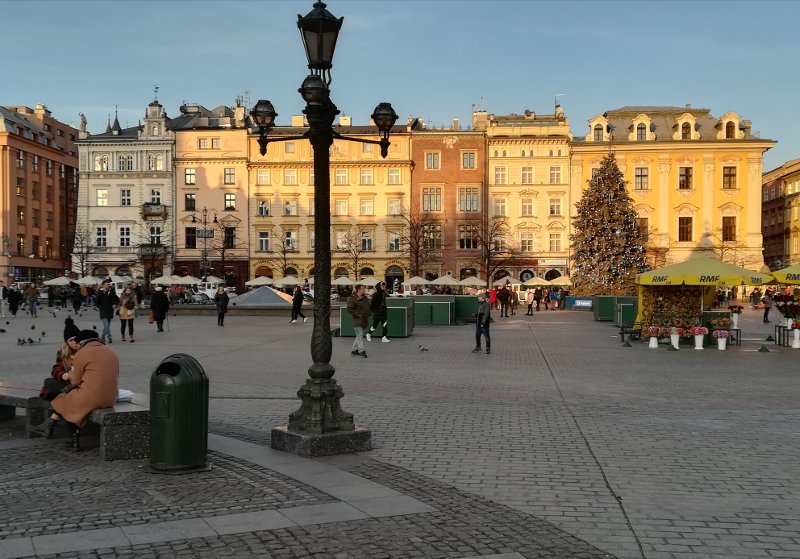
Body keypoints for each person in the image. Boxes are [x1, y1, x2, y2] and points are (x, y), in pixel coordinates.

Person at [51, 330, 119, 451]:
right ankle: (51, 424)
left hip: (93, 396)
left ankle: (74, 440)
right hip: (112, 396)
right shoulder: (111, 351)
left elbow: (75, 381)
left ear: (82, 342)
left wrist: (71, 373)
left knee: (66, 400)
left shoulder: (81, 354)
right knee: (70, 396)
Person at [347, 284, 371, 358]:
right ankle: (361, 350)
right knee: (360, 335)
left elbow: (368, 306)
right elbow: (349, 309)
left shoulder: (364, 298)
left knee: (358, 335)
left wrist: (369, 313)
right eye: (363, 289)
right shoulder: (353, 298)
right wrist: (358, 314)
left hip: (364, 319)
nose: (364, 290)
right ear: (358, 290)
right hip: (357, 320)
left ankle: (354, 350)